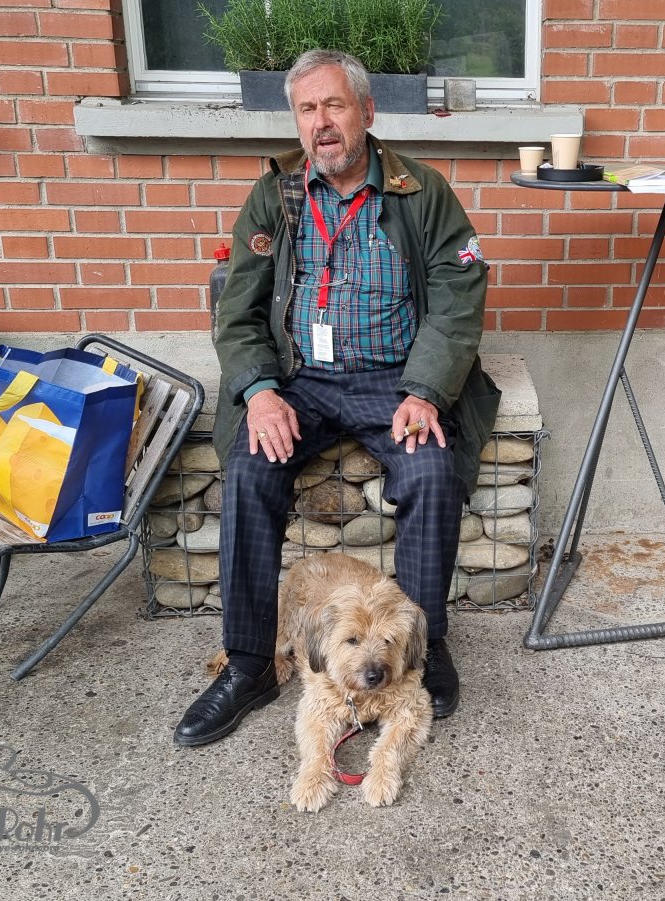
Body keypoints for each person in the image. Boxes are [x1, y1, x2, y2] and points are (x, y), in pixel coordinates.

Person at [175, 49, 500, 748]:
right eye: (307, 109)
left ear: (367, 112)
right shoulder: (276, 196)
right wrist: (260, 391)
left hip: (395, 378)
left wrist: (426, 391)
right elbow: (237, 311)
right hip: (301, 378)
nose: (321, 123)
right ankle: (250, 664)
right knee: (250, 470)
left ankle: (422, 649)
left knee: (432, 470)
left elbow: (457, 300)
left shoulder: (422, 192)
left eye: (334, 105)